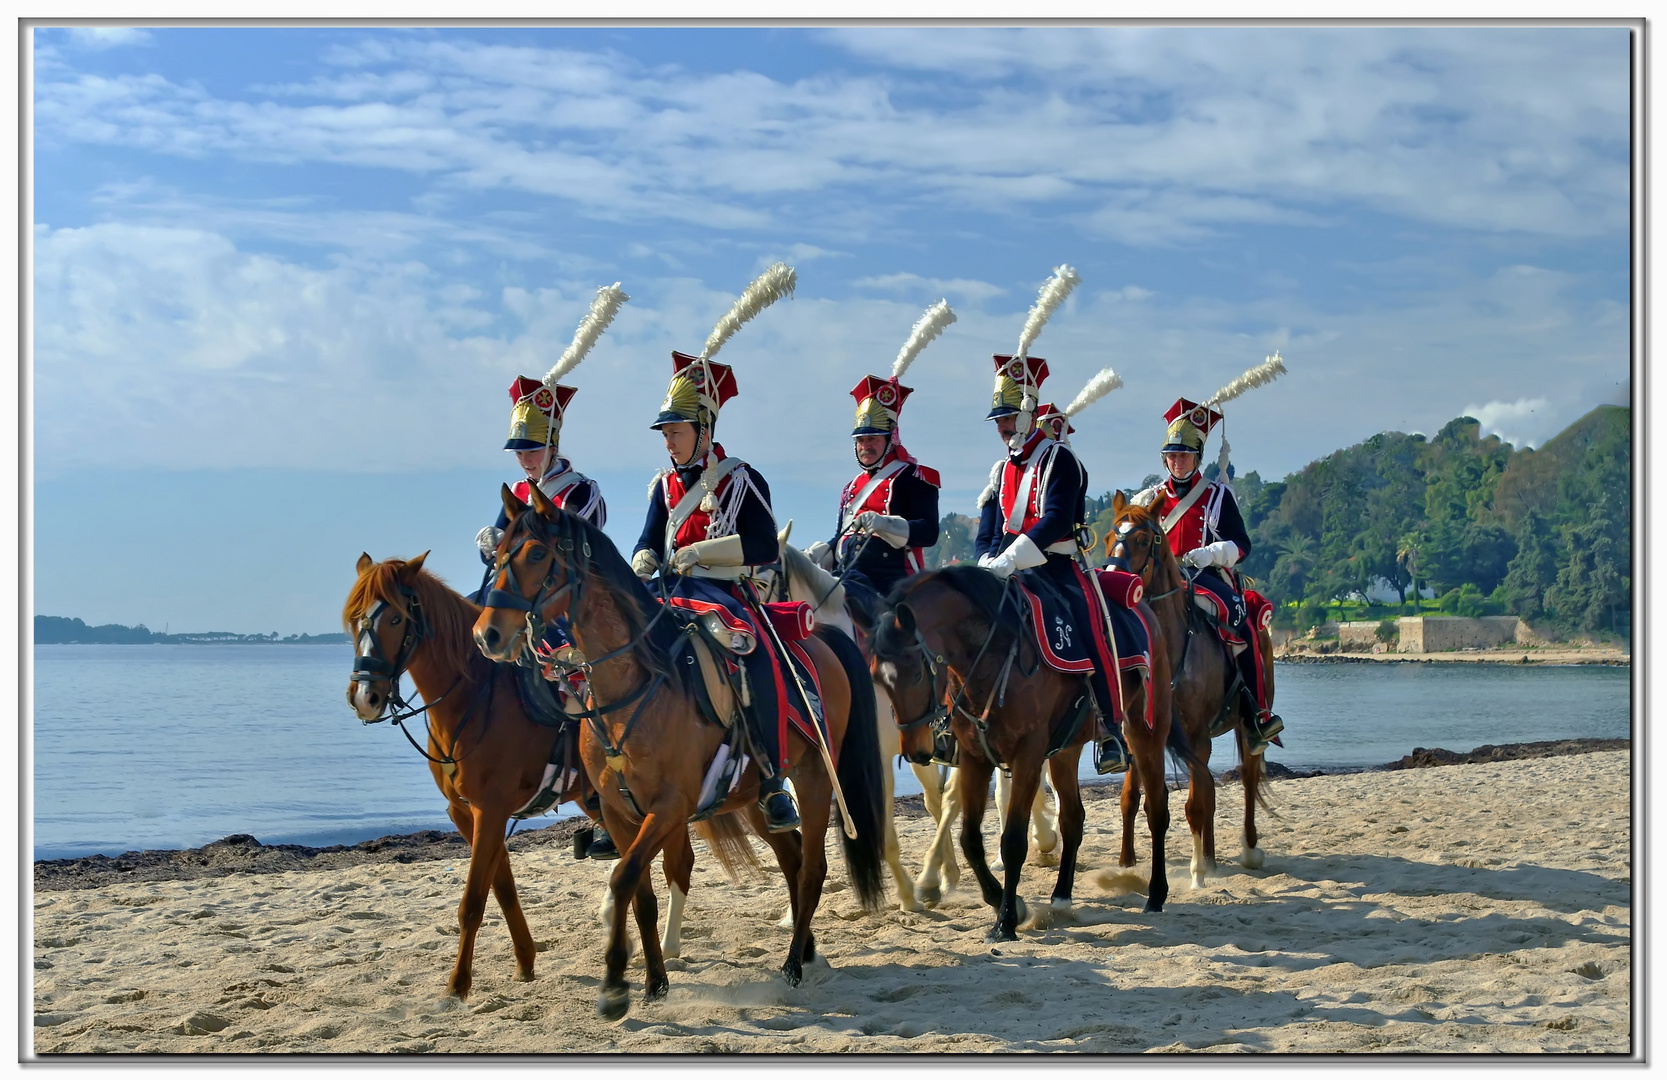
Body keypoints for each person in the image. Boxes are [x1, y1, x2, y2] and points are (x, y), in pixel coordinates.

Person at [630, 352, 801, 833]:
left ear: (704, 430)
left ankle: (771, 780)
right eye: (665, 433)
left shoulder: (740, 479)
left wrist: (708, 552)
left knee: (756, 656)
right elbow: (649, 536)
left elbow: (766, 546)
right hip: (669, 589)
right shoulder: (662, 487)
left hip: (725, 593)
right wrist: (643, 555)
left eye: (676, 431)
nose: (668, 441)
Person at [474, 376, 616, 858]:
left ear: (553, 443)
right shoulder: (515, 490)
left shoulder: (579, 491)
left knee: (587, 689)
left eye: (533, 448)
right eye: (519, 449)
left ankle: (602, 791)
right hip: (522, 602)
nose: (525, 458)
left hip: (567, 609)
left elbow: (580, 555)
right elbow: (504, 555)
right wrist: (490, 547)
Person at [973, 355, 1130, 774]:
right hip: (1004, 570)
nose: (1002, 426)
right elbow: (988, 527)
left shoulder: (1059, 459)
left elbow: (1057, 519)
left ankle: (1111, 727)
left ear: (1028, 413)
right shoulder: (1000, 469)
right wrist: (988, 558)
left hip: (1056, 569)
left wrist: (1011, 557)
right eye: (998, 419)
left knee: (1092, 623)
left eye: (1008, 416)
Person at [1131, 398, 1283, 753]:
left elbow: (1242, 545)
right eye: (1171, 454)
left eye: (1183, 455)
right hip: (1159, 581)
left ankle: (1257, 713)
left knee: (1241, 622)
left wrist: (1212, 553)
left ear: (1197, 457)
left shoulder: (1217, 496)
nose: (1176, 461)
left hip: (1205, 577)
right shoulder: (1148, 498)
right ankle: (1114, 719)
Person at [807, 375, 940, 615]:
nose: (865, 445)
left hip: (893, 586)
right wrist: (822, 551)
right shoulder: (851, 486)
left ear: (890, 439)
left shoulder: (914, 477)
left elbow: (929, 532)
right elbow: (842, 537)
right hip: (848, 578)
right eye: (860, 439)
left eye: (873, 438)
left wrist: (884, 524)